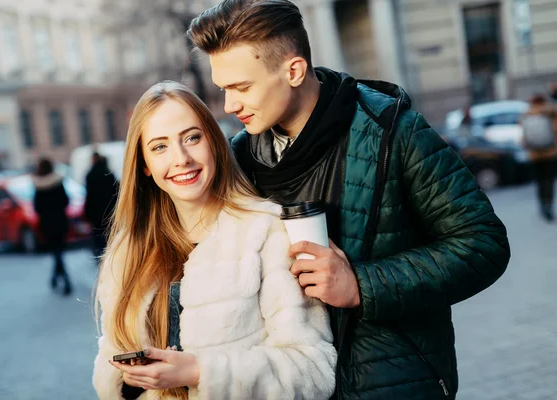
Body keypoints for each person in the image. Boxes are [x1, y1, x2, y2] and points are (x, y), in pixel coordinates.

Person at [187, 1, 511, 398]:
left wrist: (362, 284)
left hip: (392, 385)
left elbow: (483, 244)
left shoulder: (393, 132)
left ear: (293, 70)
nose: (229, 105)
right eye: (223, 89)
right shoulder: (238, 160)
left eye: (242, 87)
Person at [92, 81, 336, 400]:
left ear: (214, 143)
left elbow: (313, 370)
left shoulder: (265, 231)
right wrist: (130, 380)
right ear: (144, 165)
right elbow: (109, 362)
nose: (181, 158)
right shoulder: (127, 252)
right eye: (160, 146)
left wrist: (200, 373)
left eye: (192, 138)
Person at [33, 158, 72, 296]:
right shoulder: (57, 182)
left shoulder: (38, 185)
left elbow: (36, 207)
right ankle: (63, 280)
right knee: (59, 251)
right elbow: (66, 200)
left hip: (47, 223)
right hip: (60, 221)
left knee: (56, 252)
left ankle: (57, 279)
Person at [520, 94, 557, 221]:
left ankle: (542, 206)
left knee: (540, 181)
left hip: (534, 155)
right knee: (549, 181)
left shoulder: (526, 114)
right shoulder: (550, 112)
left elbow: (524, 138)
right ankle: (548, 208)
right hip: (550, 153)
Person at [84, 152, 119, 260]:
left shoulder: (90, 175)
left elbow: (89, 195)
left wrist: (87, 212)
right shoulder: (109, 174)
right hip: (109, 210)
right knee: (110, 233)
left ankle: (100, 255)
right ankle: (112, 254)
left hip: (96, 211)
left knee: (98, 234)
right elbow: (116, 193)